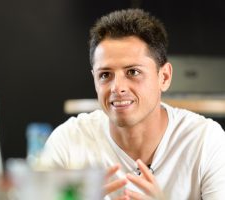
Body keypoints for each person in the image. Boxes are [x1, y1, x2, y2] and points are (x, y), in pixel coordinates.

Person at [39, 8, 225, 200]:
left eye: (133, 72)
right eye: (105, 75)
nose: (117, 88)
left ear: (165, 76)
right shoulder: (69, 141)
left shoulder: (206, 141)